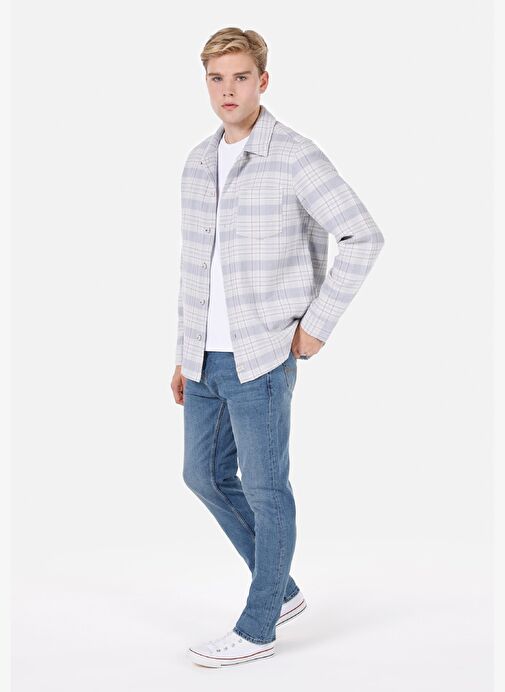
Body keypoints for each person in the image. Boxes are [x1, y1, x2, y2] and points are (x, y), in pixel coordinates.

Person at [171, 27, 385, 667]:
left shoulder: (294, 155)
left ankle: (259, 625)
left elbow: (362, 236)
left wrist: (316, 325)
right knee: (202, 475)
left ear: (262, 81)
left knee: (267, 491)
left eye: (240, 77)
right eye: (217, 78)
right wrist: (184, 351)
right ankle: (282, 588)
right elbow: (197, 268)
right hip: (204, 357)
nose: (228, 90)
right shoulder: (197, 162)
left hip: (262, 355)